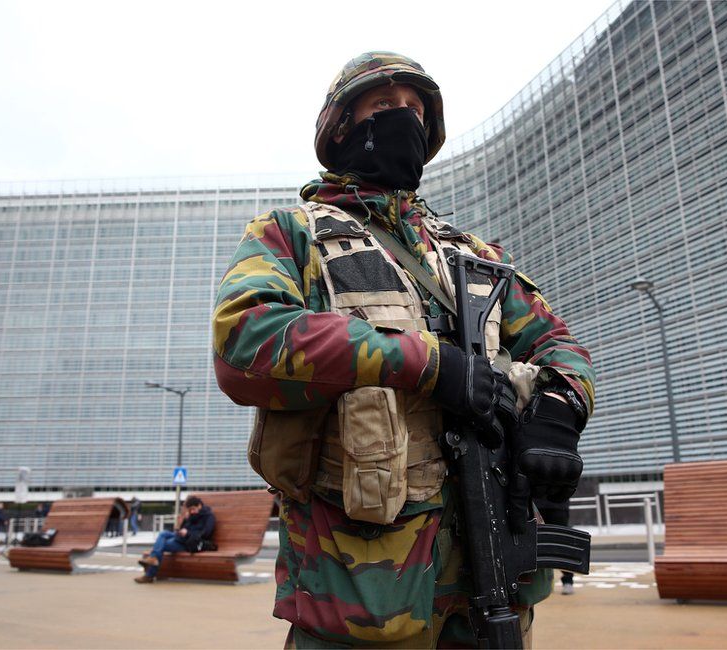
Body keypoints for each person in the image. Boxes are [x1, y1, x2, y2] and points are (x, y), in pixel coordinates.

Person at [212, 52, 595, 647]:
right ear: (343, 127)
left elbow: (558, 346)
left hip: (490, 569)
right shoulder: (292, 233)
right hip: (363, 590)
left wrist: (555, 417)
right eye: (384, 106)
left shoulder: (472, 257)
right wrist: (424, 366)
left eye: (416, 110)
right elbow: (245, 340)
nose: (404, 118)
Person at [134, 495, 215, 584]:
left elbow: (206, 534)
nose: (192, 512)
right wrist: (183, 522)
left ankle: (149, 575)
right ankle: (153, 559)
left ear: (199, 505)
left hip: (189, 543)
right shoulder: (191, 515)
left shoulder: (209, 516)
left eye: (193, 509)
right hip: (181, 537)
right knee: (163, 533)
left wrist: (188, 533)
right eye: (190, 510)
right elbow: (182, 528)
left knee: (162, 545)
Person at [534, 497, 576, 595]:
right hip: (537, 502)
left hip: (559, 503)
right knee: (537, 544)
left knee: (562, 544)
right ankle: (539, 583)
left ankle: (568, 580)